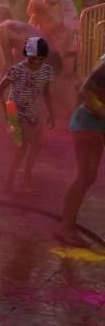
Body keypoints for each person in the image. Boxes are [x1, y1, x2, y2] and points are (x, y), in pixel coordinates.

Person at [56, 56, 105, 247]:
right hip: (89, 123)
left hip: (95, 122)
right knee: (84, 176)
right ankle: (66, 227)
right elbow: (85, 90)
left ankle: (66, 226)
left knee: (87, 177)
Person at [0, 37, 55, 195]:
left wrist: (51, 113)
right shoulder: (17, 70)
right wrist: (5, 110)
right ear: (27, 55)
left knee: (30, 146)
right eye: (33, 58)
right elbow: (0, 89)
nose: (36, 62)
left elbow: (47, 93)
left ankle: (16, 181)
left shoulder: (46, 70)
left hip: (33, 111)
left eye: (40, 58)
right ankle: (22, 182)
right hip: (14, 111)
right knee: (26, 145)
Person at [0, 5, 44, 74]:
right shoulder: (20, 26)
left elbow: (8, 63)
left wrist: (0, 80)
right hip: (52, 57)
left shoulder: (0, 29)